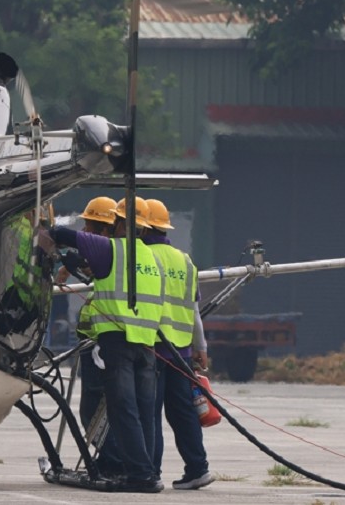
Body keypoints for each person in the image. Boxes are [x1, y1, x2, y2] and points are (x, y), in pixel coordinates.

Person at [40, 196, 164, 493]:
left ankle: (138, 475)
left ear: (118, 223)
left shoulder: (110, 248)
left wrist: (47, 224)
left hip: (117, 339)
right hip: (146, 341)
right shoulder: (150, 257)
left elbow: (61, 235)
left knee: (124, 408)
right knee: (145, 410)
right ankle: (148, 470)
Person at [144, 198, 214, 491]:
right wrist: (202, 348)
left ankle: (151, 472)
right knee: (183, 412)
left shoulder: (143, 257)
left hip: (154, 347)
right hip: (183, 350)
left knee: (150, 411)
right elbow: (194, 310)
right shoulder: (184, 260)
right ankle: (198, 468)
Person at [61, 196, 122, 475]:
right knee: (104, 409)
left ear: (106, 228)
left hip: (103, 342)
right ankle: (110, 460)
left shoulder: (109, 251)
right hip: (96, 341)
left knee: (93, 410)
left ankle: (112, 463)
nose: (86, 232)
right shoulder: (109, 252)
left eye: (92, 227)